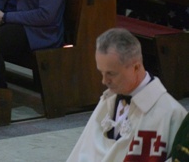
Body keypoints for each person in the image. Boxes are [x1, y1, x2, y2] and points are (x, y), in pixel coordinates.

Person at [67, 28, 187, 162]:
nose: (104, 81)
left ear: (135, 68)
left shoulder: (172, 114)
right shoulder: (108, 99)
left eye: (111, 74)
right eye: (101, 72)